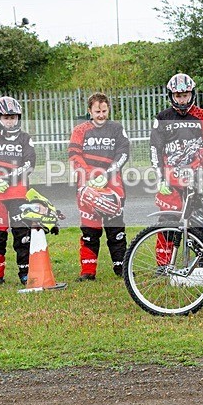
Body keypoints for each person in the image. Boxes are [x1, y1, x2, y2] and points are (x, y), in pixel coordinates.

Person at [150, 74, 203, 264]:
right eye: (178, 96)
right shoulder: (162, 118)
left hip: (196, 179)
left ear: (192, 94)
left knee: (198, 221)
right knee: (167, 222)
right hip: (171, 181)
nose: (182, 100)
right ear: (171, 95)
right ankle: (163, 264)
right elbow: (155, 149)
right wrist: (160, 178)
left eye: (185, 95)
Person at [68, 92, 130, 281]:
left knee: (116, 230)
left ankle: (121, 268)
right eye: (97, 111)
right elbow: (73, 155)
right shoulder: (80, 130)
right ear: (90, 111)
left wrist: (108, 173)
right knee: (89, 231)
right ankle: (88, 271)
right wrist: (90, 175)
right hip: (88, 187)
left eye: (104, 111)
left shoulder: (117, 128)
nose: (101, 115)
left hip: (113, 186)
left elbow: (123, 153)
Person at [0, 96, 36, 286]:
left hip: (19, 193)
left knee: (23, 235)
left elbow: (30, 164)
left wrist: (7, 178)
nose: (10, 121)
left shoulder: (25, 138)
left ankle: (25, 273)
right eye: (6, 117)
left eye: (13, 117)